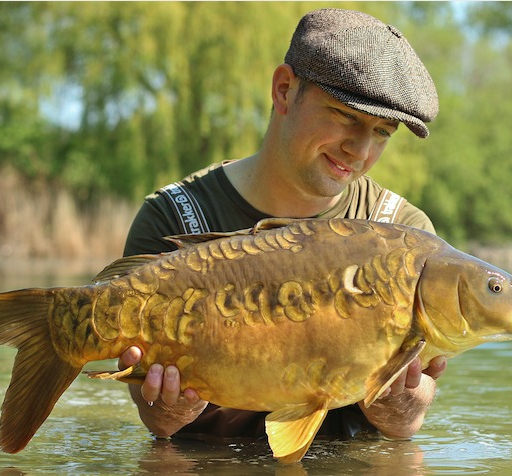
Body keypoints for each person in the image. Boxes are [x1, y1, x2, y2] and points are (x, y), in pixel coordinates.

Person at [118, 8, 448, 445]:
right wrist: (168, 409)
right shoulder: (173, 217)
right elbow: (158, 423)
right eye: (346, 116)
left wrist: (403, 406)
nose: (360, 150)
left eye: (383, 132)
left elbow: (407, 426)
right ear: (284, 90)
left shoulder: (404, 238)